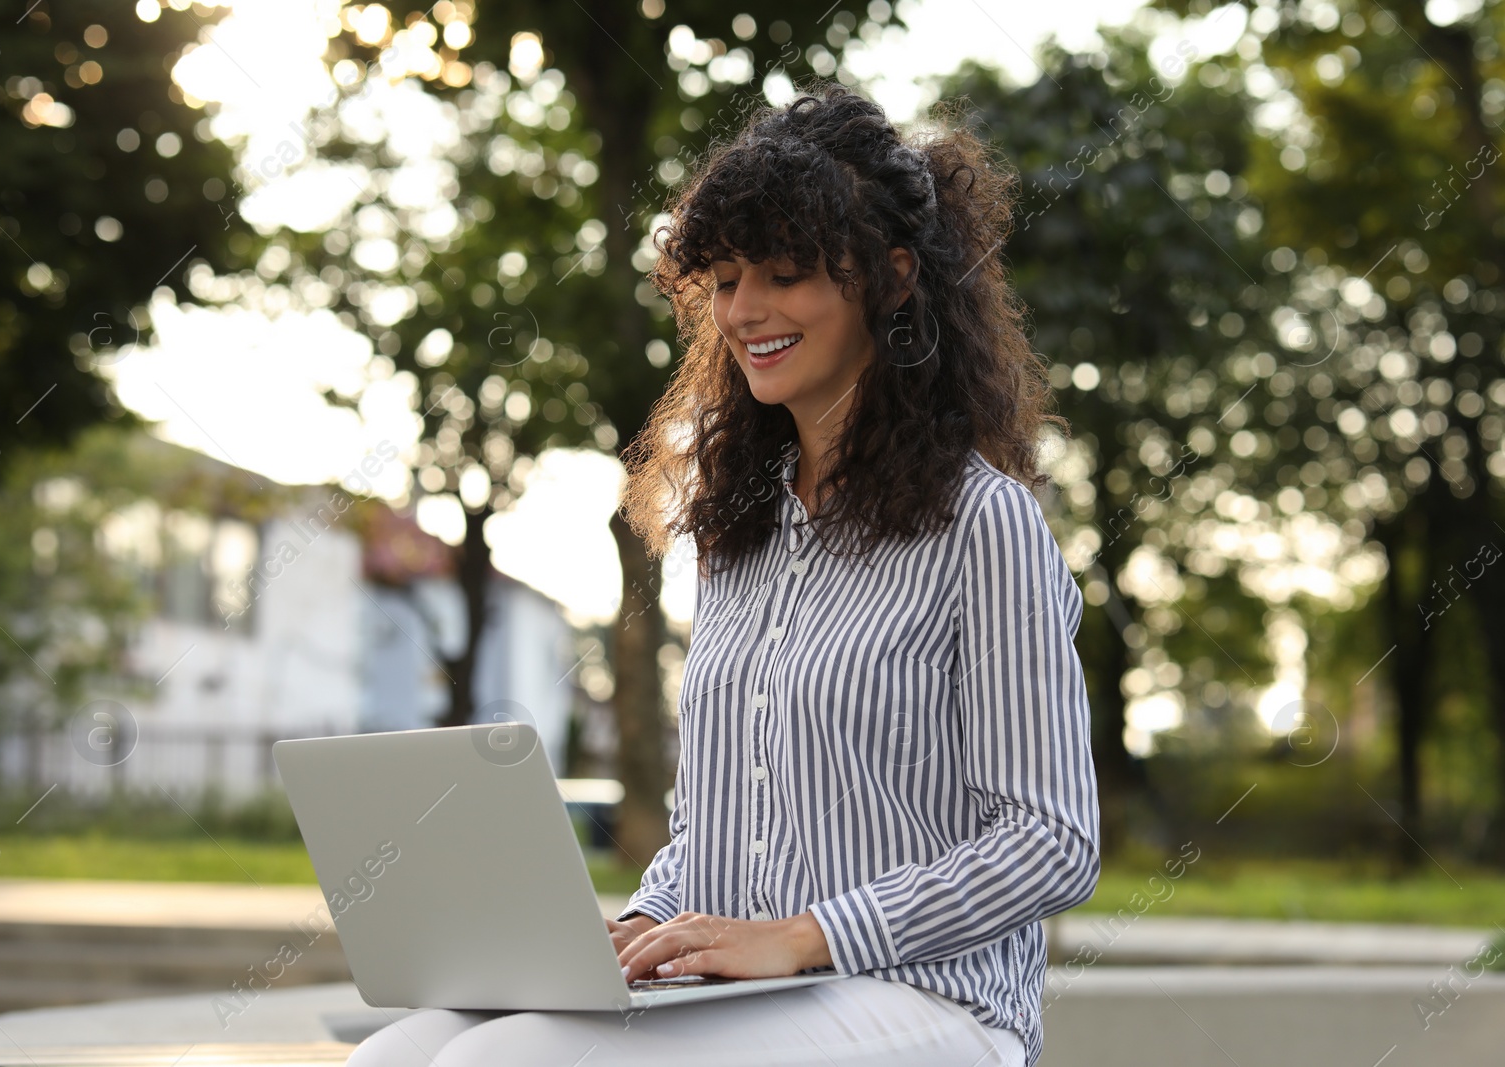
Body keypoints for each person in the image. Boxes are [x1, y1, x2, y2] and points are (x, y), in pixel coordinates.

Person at [345, 81, 1099, 1067]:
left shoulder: (983, 522)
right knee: (395, 1055)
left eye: (783, 275)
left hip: (932, 1000)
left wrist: (805, 934)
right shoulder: (737, 528)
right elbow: (715, 823)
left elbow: (1050, 838)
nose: (744, 312)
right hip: (746, 993)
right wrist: (640, 924)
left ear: (893, 278)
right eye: (726, 278)